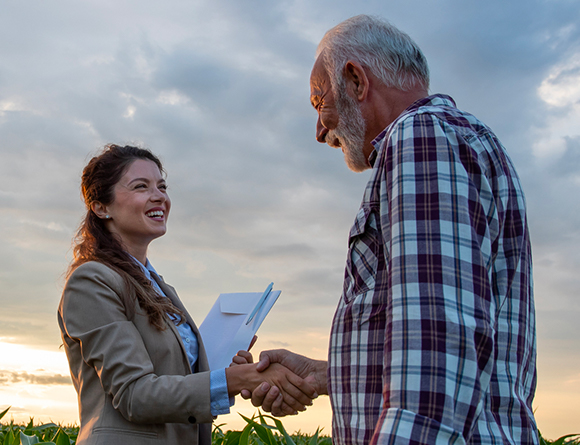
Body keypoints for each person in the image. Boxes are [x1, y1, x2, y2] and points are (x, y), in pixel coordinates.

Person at [237, 15, 538, 445]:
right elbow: (454, 333)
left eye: (319, 102)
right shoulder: (465, 140)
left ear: (356, 80)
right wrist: (326, 375)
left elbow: (436, 351)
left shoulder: (421, 138)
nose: (321, 130)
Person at [58, 144, 317, 445]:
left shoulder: (161, 287)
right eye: (141, 186)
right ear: (101, 207)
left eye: (162, 186)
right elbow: (135, 395)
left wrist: (228, 372)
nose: (159, 196)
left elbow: (177, 386)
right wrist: (238, 380)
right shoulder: (91, 281)